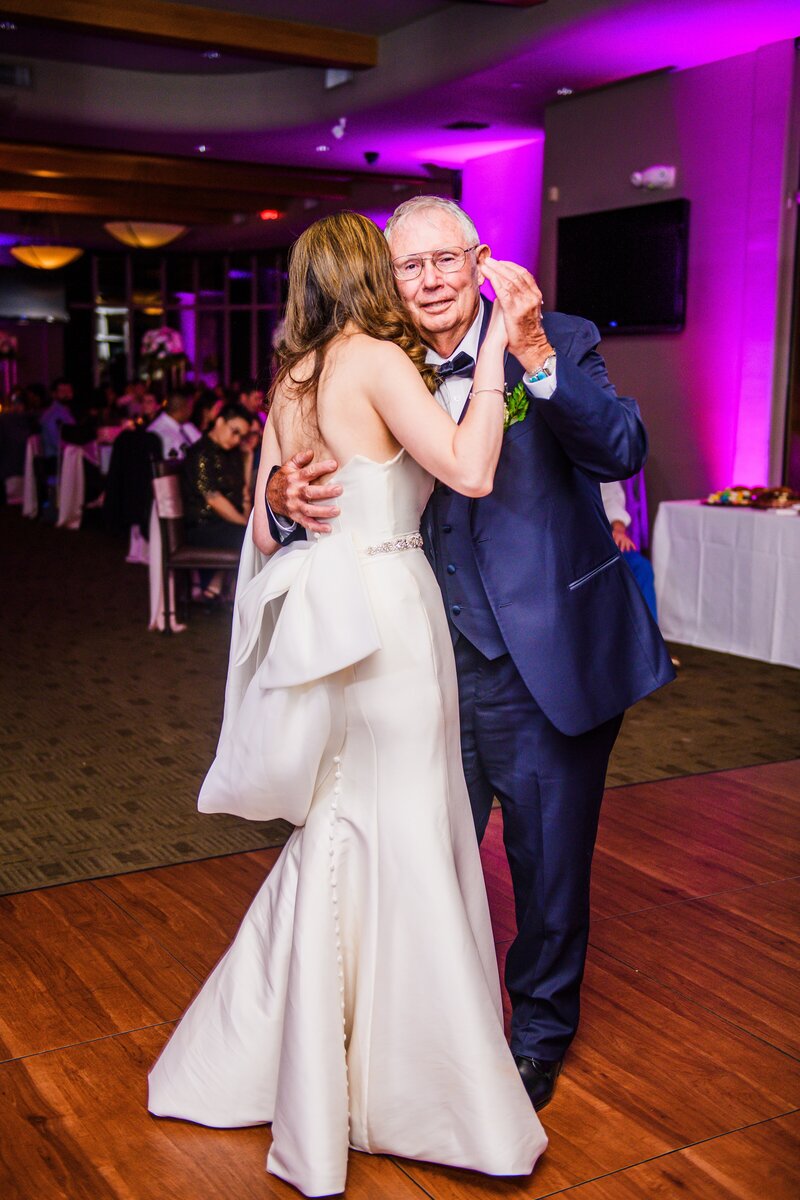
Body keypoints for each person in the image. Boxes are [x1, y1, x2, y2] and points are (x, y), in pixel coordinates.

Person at [148, 212, 547, 1196]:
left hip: (332, 619)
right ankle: (420, 1087)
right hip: (390, 616)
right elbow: (468, 467)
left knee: (345, 819)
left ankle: (302, 1061)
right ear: (371, 274)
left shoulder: (291, 378)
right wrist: (498, 343)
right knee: (407, 826)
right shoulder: (373, 360)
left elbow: (276, 529)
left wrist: (285, 490)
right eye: (397, 264)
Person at [266, 196, 676, 1112]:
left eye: (447, 260)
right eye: (409, 268)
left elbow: (622, 451)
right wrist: (280, 495)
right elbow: (314, 472)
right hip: (420, 669)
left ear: (480, 259)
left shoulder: (553, 335)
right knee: (418, 857)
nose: (432, 281)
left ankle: (536, 1038)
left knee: (547, 869)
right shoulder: (378, 360)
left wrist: (533, 361)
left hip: (548, 664)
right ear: (389, 281)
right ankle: (425, 1034)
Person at [180, 402, 253, 601]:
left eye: (241, 436)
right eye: (234, 431)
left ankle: (220, 584)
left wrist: (248, 459)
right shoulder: (201, 453)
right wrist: (246, 525)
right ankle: (239, 596)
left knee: (256, 537)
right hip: (202, 526)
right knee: (253, 539)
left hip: (225, 524)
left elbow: (243, 492)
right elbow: (213, 498)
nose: (237, 440)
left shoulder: (232, 454)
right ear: (220, 421)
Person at [148, 390, 201, 460]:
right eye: (191, 407)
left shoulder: (185, 426)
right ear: (183, 409)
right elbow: (170, 468)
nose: (192, 411)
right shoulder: (163, 434)